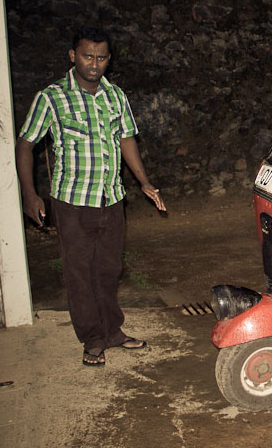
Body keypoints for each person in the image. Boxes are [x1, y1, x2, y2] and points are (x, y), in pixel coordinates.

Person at [16, 27, 166, 367]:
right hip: (71, 202)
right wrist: (30, 194)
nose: (94, 64)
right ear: (73, 56)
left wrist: (143, 181)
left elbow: (127, 139)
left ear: (108, 60)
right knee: (79, 273)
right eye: (87, 56)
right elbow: (26, 144)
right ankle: (93, 338)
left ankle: (112, 331)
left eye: (100, 58)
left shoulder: (116, 96)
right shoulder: (51, 97)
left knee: (109, 270)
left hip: (111, 199)